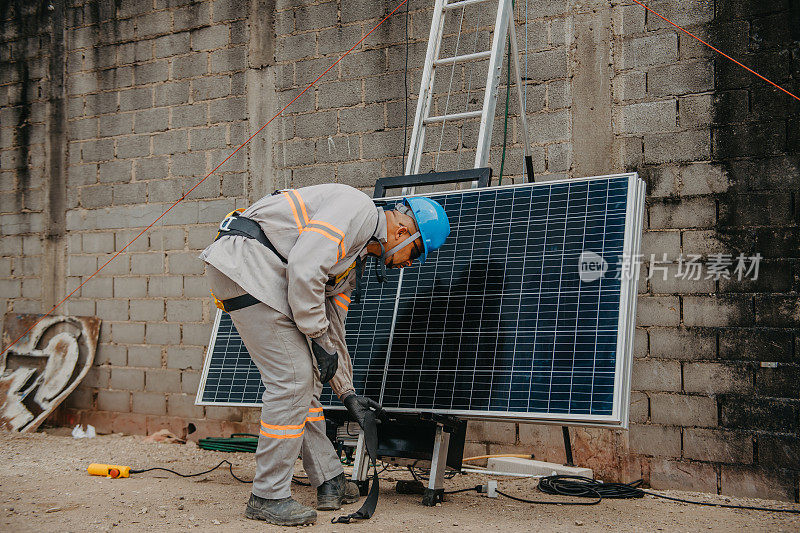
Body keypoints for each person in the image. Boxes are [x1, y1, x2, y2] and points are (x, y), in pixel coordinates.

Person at [199, 183, 450, 526]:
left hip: (257, 270)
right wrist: (317, 340)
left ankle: (330, 479)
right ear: (404, 231)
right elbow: (304, 266)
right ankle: (268, 496)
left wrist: (348, 394)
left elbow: (331, 331)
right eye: (414, 254)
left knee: (306, 381)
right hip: (251, 265)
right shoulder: (357, 208)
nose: (407, 265)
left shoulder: (353, 258)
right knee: (292, 381)